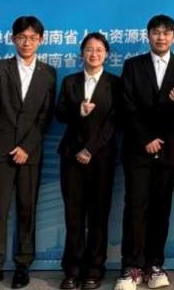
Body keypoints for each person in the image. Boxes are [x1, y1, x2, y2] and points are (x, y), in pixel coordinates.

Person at [115, 15, 174, 290]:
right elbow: (126, 106)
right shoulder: (133, 66)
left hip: (170, 148)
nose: (161, 37)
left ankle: (154, 264)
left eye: (166, 33)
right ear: (148, 35)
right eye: (156, 32)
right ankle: (131, 266)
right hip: (138, 149)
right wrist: (146, 139)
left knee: (161, 208)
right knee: (135, 206)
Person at [0, 16, 57, 290]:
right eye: (22, 37)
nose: (27, 42)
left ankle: (23, 265)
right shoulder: (1, 67)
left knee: (26, 208)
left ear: (41, 41)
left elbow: (45, 116)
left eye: (32, 38)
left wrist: (27, 147)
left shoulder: (48, 73)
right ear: (13, 39)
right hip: (0, 149)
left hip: (30, 152)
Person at [55, 33, 123, 290]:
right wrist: (78, 111)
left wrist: (90, 149)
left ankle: (94, 268)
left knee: (98, 215)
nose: (94, 54)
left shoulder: (115, 83)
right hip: (71, 156)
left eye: (99, 50)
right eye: (89, 49)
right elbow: (60, 113)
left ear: (106, 54)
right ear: (82, 53)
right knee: (73, 216)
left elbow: (114, 121)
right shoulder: (70, 81)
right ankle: (72, 269)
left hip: (101, 157)